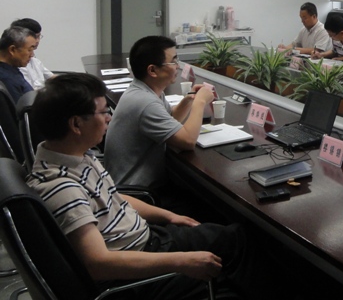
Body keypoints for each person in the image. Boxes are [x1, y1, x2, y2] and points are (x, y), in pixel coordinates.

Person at [26, 73, 253, 300]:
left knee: (235, 237)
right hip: (133, 275)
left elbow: (113, 197)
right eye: (103, 112)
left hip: (144, 238)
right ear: (76, 124)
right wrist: (181, 261)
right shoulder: (63, 188)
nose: (109, 118)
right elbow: (98, 263)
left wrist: (168, 216)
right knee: (236, 252)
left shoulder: (73, 154)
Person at [104, 36, 215, 196]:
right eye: (173, 62)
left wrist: (189, 99)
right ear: (152, 70)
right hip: (138, 194)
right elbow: (188, 141)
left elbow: (169, 119)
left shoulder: (145, 90)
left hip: (137, 187)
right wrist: (200, 102)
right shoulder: (145, 102)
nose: (178, 66)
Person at [11, 18, 53, 90]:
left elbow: (52, 77)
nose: (37, 41)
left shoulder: (35, 61)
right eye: (35, 37)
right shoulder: (16, 63)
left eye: (39, 36)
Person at [0, 26, 36, 102]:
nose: (32, 55)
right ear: (12, 50)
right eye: (30, 50)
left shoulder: (11, 69)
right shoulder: (7, 79)